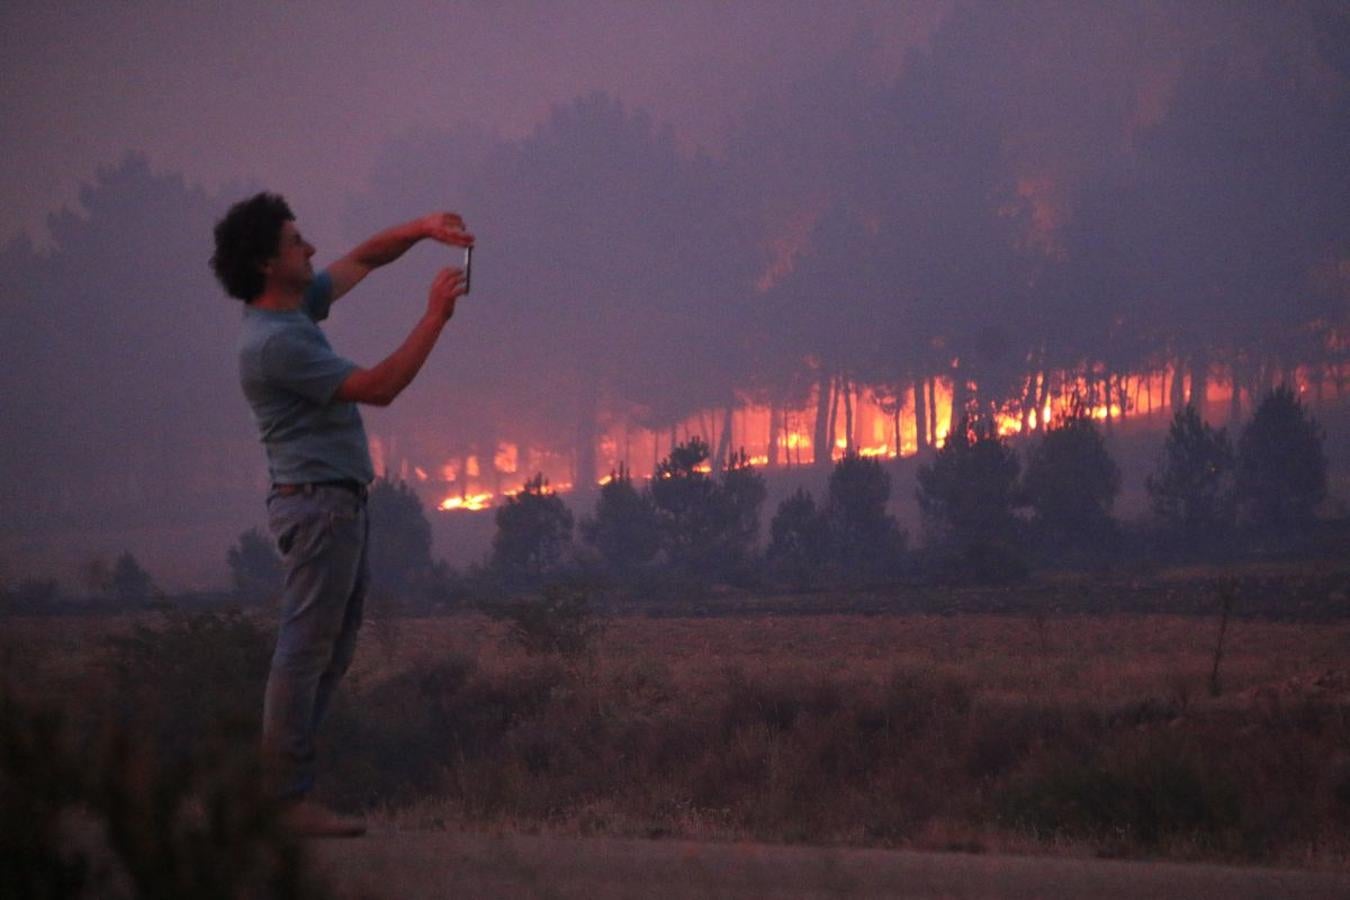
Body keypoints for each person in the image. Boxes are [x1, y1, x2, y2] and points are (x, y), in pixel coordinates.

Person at [210, 193, 472, 836]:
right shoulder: (274, 345)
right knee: (304, 651)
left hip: (335, 505)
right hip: (318, 507)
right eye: (297, 242)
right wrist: (434, 316)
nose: (312, 249)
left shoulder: (294, 309)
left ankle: (286, 792)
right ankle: (280, 801)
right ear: (268, 263)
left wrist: (419, 225)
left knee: (326, 651)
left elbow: (364, 259)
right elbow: (379, 388)